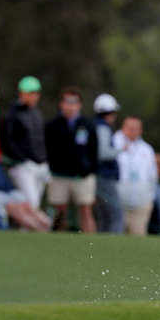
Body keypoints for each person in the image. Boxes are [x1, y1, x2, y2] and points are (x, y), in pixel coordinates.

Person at [45, 86, 98, 233]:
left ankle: (91, 245)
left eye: (74, 101)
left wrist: (90, 169)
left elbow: (94, 151)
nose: (70, 105)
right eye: (67, 101)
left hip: (83, 176)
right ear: (61, 103)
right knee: (60, 211)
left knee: (86, 210)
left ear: (80, 104)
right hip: (59, 175)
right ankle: (58, 244)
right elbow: (47, 150)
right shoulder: (52, 126)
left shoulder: (88, 125)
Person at [0, 76, 49, 209]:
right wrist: (22, 160)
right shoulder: (12, 113)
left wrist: (44, 160)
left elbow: (40, 139)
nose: (33, 96)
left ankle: (25, 229)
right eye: (30, 93)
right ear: (21, 93)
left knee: (35, 203)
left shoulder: (37, 113)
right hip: (22, 166)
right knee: (31, 201)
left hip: (40, 164)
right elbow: (7, 140)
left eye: (35, 93)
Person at [113, 116, 157, 236]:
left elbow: (152, 177)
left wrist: (149, 199)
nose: (133, 131)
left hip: (141, 205)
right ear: (123, 128)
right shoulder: (113, 144)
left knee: (138, 237)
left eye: (136, 128)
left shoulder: (147, 149)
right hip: (118, 203)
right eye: (130, 128)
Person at [92, 94, 124, 233]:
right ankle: (114, 249)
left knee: (104, 217)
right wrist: (121, 150)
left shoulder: (96, 126)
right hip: (104, 177)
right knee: (116, 216)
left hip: (99, 177)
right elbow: (102, 153)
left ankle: (100, 249)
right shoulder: (103, 128)